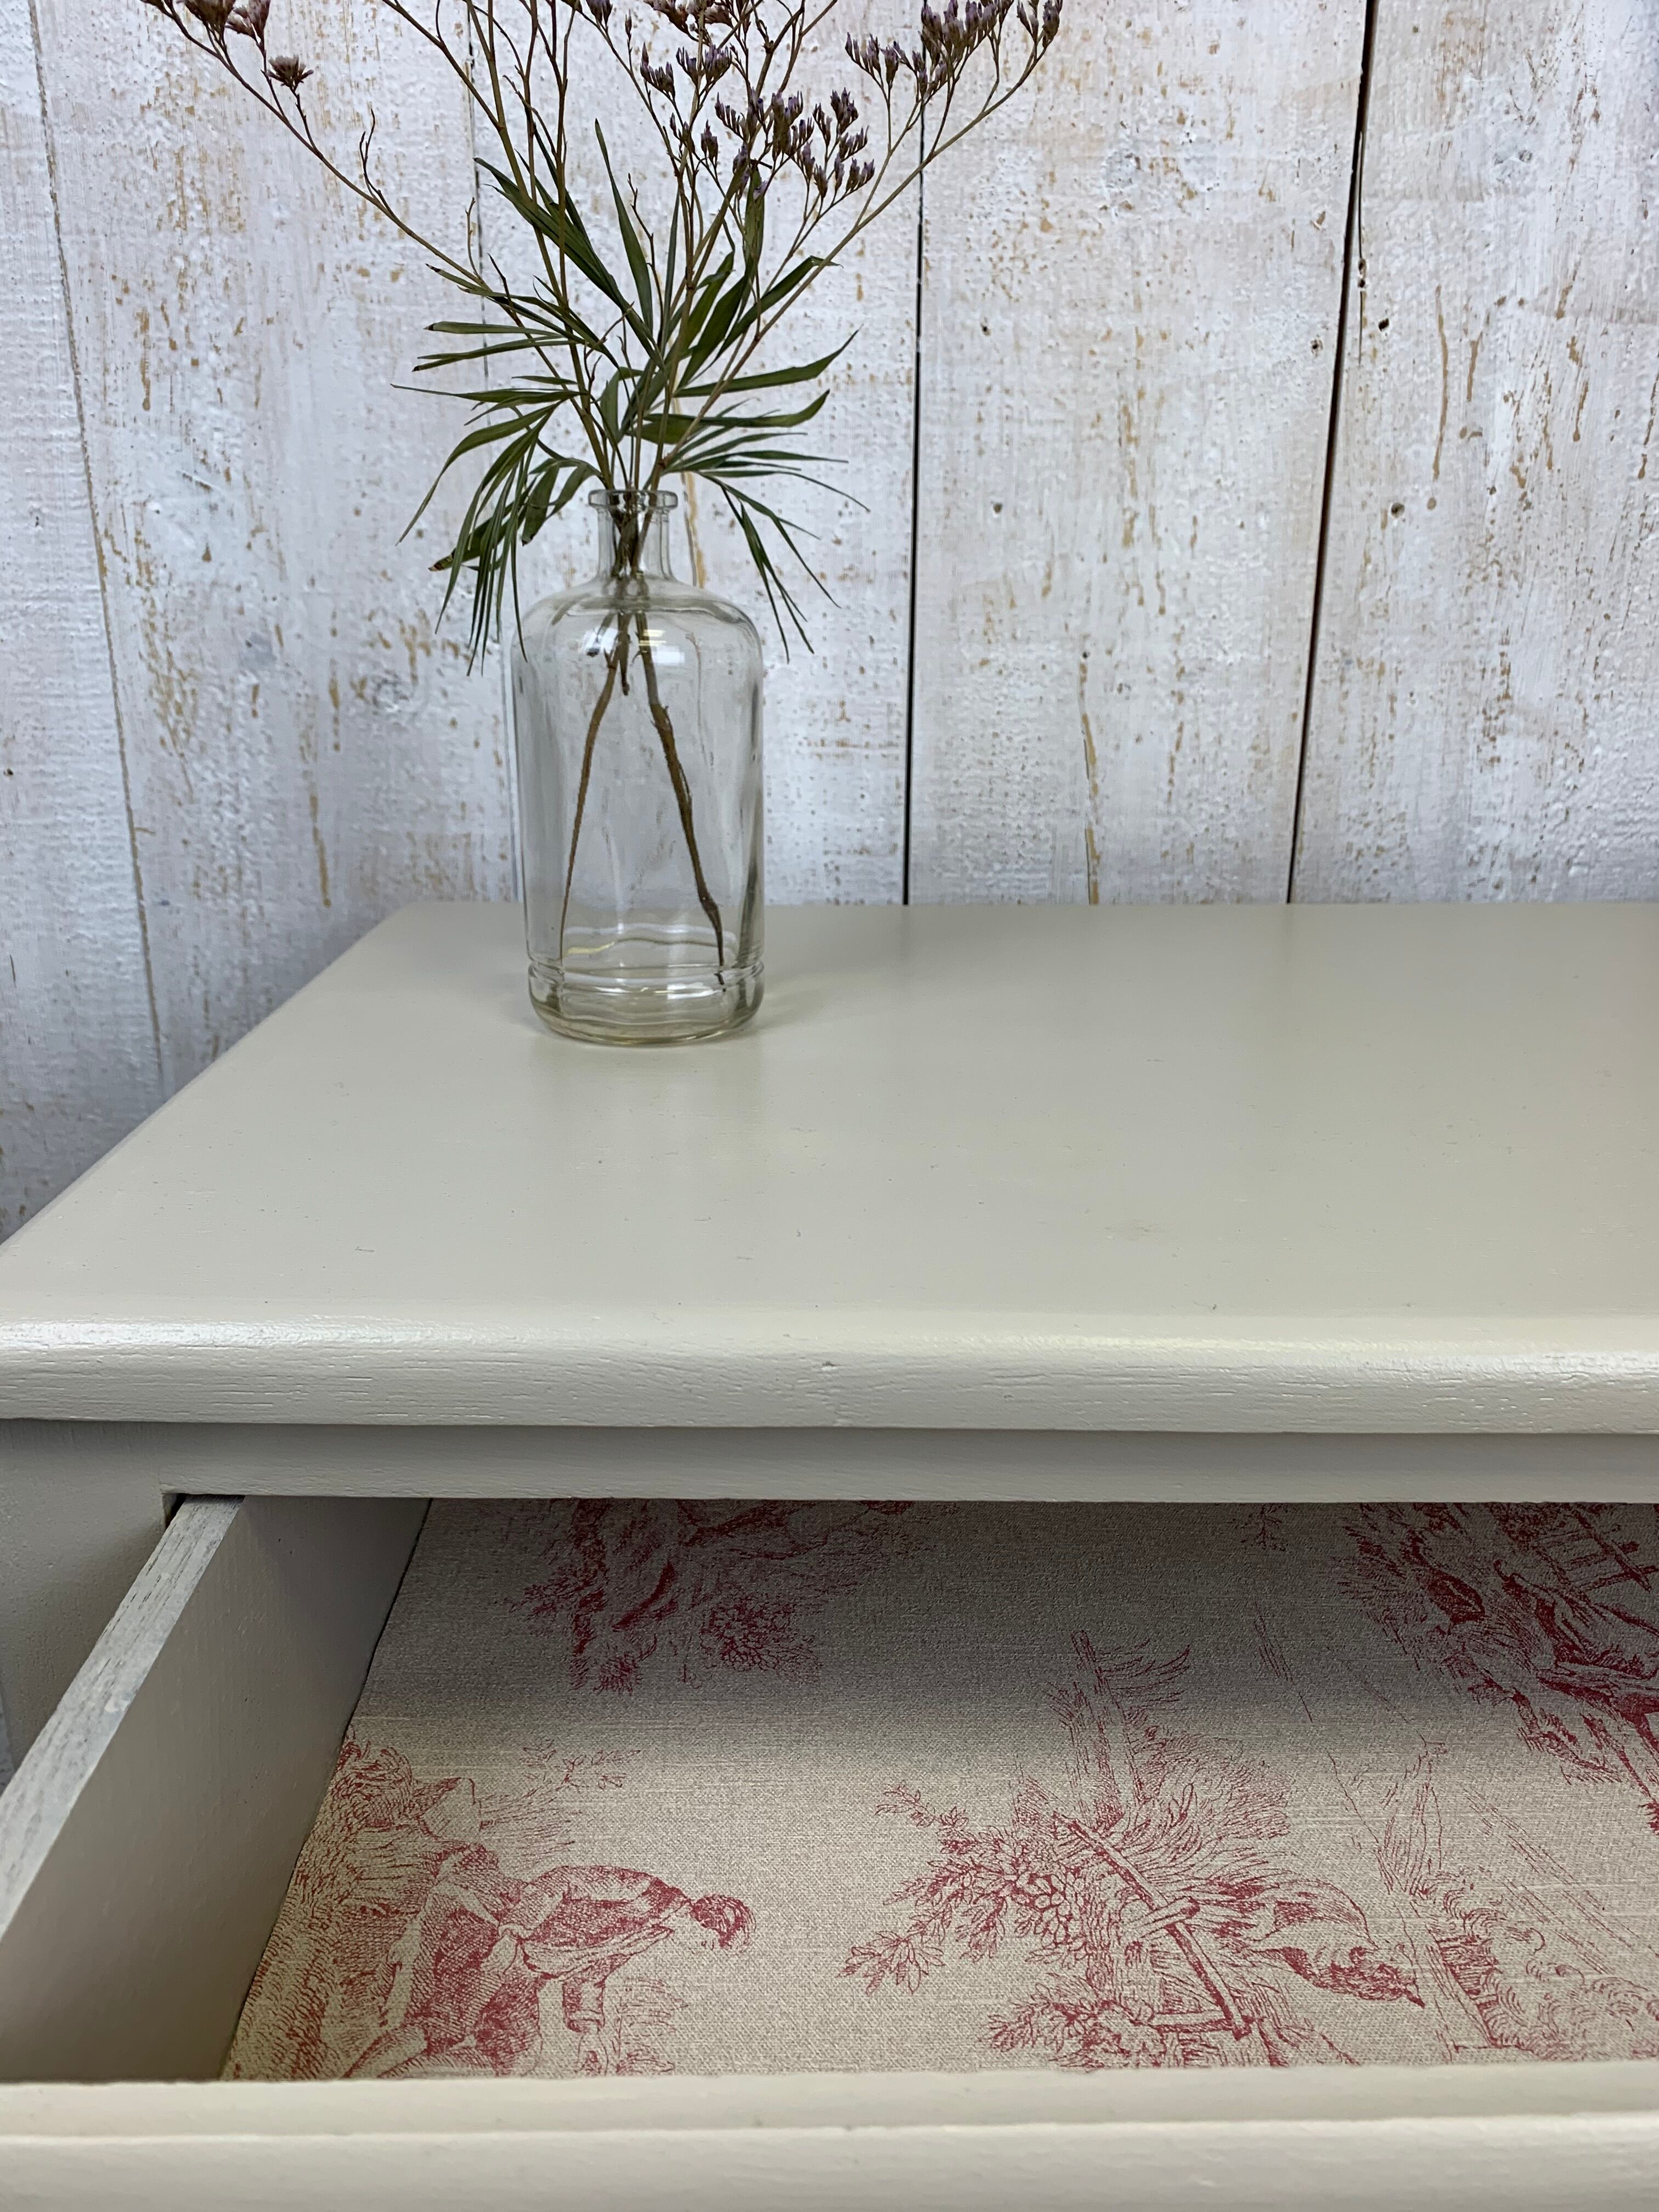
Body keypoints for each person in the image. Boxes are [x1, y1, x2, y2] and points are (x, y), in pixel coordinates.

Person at [349, 1847, 752, 2078]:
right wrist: (514, 1932)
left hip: (526, 1974)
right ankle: (350, 2088)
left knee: (515, 2055)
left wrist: (589, 2029)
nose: (707, 1953)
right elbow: (561, 1880)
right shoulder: (645, 1891)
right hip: (493, 1937)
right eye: (714, 1945)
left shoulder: (655, 1931)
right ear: (708, 1922)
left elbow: (592, 1973)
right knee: (445, 2025)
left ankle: (400, 2088)